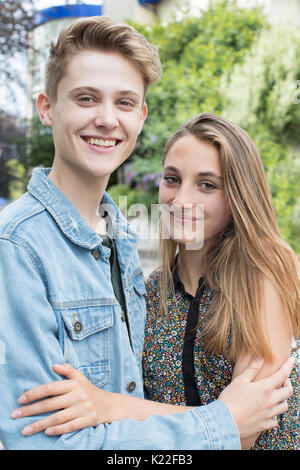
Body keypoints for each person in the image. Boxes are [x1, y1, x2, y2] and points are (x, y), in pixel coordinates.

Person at [0, 17, 295, 450]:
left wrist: (109, 405)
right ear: (47, 107)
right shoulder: (20, 248)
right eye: (86, 98)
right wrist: (221, 420)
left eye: (124, 102)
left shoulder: (122, 247)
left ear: (140, 117)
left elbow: (250, 422)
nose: (105, 118)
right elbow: (41, 443)